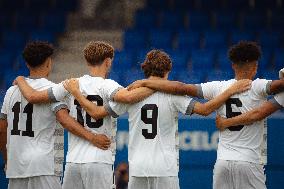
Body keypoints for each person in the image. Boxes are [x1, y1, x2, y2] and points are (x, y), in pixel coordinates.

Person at [63, 49, 251, 189]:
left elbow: (96, 113)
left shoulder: (131, 94)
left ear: (145, 70)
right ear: (167, 71)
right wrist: (231, 90)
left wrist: (77, 94)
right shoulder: (173, 96)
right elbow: (206, 109)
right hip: (165, 168)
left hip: (137, 168)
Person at [126, 42, 284, 189]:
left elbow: (181, 87)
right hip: (250, 161)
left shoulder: (218, 87)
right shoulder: (259, 86)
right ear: (255, 66)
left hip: (223, 162)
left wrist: (145, 82)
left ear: (233, 65)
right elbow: (261, 109)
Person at [13, 41, 154, 189]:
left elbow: (34, 97)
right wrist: (154, 85)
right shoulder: (108, 85)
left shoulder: (70, 84)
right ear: (108, 62)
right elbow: (128, 97)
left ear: (87, 61)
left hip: (73, 161)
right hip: (99, 159)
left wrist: (20, 79)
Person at [0, 41, 110, 189]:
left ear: (27, 64)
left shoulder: (11, 92)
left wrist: (7, 160)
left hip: (15, 168)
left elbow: (2, 128)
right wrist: (92, 137)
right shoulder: (51, 90)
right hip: (43, 166)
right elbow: (64, 120)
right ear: (48, 62)